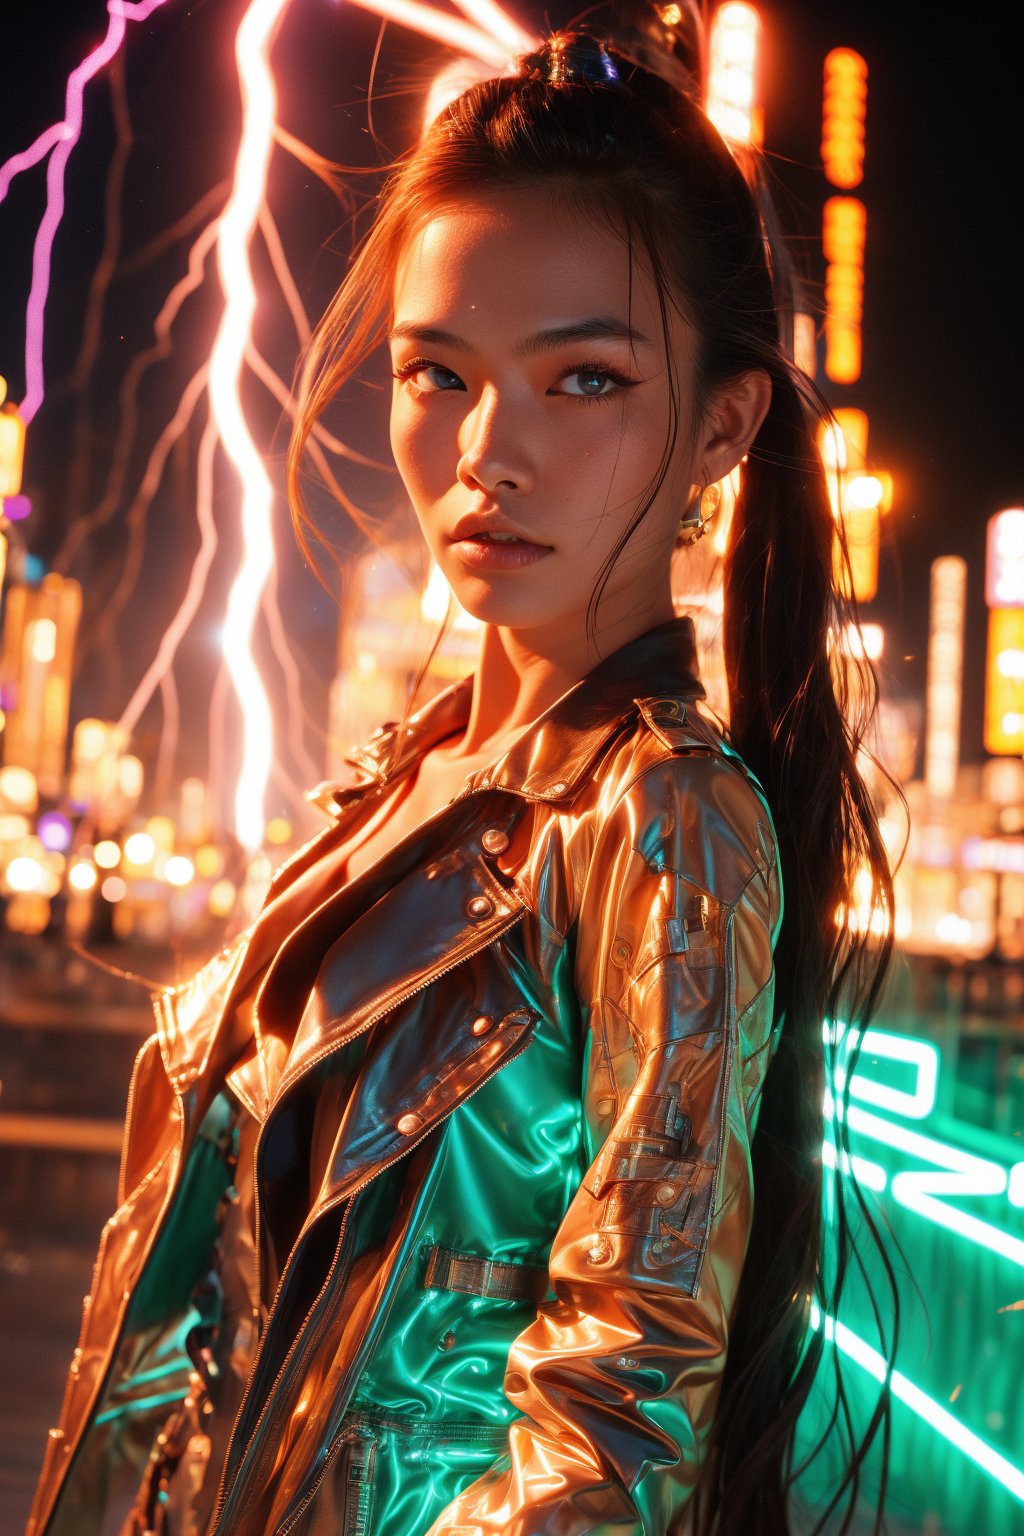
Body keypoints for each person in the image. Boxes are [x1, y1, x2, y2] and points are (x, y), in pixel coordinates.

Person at [27, 18, 897, 1536]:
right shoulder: (409, 782)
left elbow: (611, 1435)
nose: (487, 452)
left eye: (584, 383)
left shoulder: (666, 821)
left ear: (721, 427)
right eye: (438, 369)